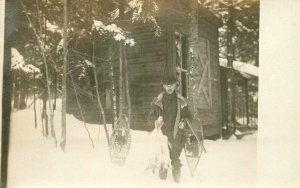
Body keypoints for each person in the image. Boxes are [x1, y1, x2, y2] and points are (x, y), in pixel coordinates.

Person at [147, 74, 192, 183]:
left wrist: (184, 123)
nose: (169, 87)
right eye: (167, 85)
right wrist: (156, 121)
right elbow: (150, 117)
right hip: (162, 134)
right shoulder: (157, 101)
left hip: (177, 134)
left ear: (175, 85)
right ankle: (162, 179)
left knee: (175, 157)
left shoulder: (181, 101)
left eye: (171, 85)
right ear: (163, 86)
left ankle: (177, 177)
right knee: (163, 157)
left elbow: (189, 117)